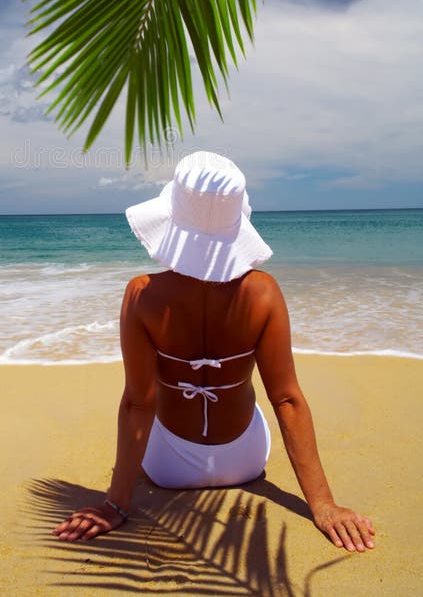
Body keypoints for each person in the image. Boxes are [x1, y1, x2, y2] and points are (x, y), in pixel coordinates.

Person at [53, 151, 375, 552]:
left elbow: (138, 404)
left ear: (172, 220)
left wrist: (115, 504)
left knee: (146, 402)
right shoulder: (263, 293)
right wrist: (323, 505)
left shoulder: (142, 295)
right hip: (245, 459)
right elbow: (287, 398)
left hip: (167, 467)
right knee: (257, 400)